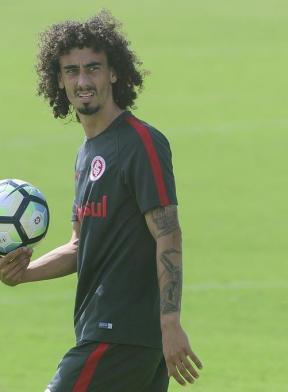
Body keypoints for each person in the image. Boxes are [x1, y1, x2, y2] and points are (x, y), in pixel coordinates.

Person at [0, 10, 202, 392]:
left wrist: (170, 323)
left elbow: (168, 234)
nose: (83, 80)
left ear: (114, 73)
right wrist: (24, 274)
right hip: (113, 333)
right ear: (58, 80)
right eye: (71, 71)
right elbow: (80, 247)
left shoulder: (140, 142)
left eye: (93, 68)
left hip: (120, 333)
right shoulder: (87, 153)